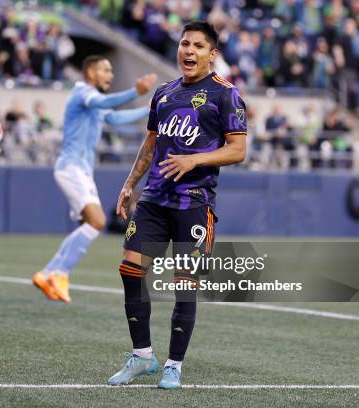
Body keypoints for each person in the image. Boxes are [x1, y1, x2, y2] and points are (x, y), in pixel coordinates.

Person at [107, 21, 247, 389]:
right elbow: (150, 144)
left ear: (212, 54)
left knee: (184, 284)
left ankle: (174, 364)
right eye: (185, 43)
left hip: (194, 204)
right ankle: (142, 356)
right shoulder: (164, 93)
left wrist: (193, 161)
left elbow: (238, 149)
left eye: (199, 46)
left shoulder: (225, 95)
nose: (189, 51)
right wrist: (129, 182)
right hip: (154, 199)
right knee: (129, 269)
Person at [31, 55, 156, 303]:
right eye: (105, 70)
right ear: (90, 73)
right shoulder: (83, 93)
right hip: (71, 167)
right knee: (97, 221)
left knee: (89, 226)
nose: (110, 75)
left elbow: (114, 117)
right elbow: (107, 102)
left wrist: (152, 111)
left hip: (82, 171)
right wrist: (135, 91)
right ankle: (59, 273)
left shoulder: (96, 103)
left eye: (111, 71)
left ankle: (48, 274)